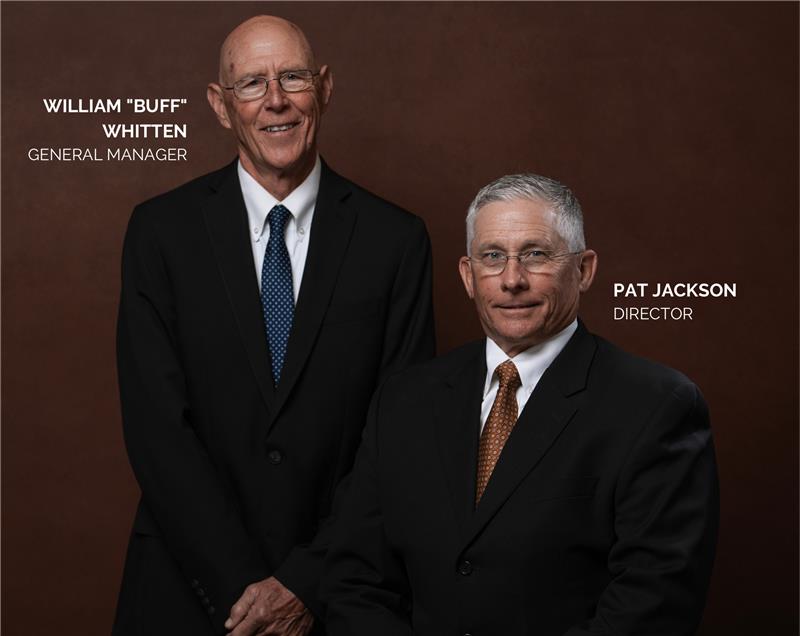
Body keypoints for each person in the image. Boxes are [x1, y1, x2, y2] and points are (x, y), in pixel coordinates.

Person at [113, 15, 435, 636]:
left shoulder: (395, 242)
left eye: (293, 77)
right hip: (185, 589)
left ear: (325, 88)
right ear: (220, 105)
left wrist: (304, 583)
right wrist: (244, 591)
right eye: (252, 84)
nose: (276, 100)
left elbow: (398, 437)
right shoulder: (160, 233)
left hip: (338, 595)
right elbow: (157, 431)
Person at [321, 173, 719, 636]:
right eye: (493, 257)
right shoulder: (404, 400)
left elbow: (652, 606)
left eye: (536, 255)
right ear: (468, 276)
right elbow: (354, 579)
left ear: (584, 270)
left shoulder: (656, 406)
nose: (512, 279)